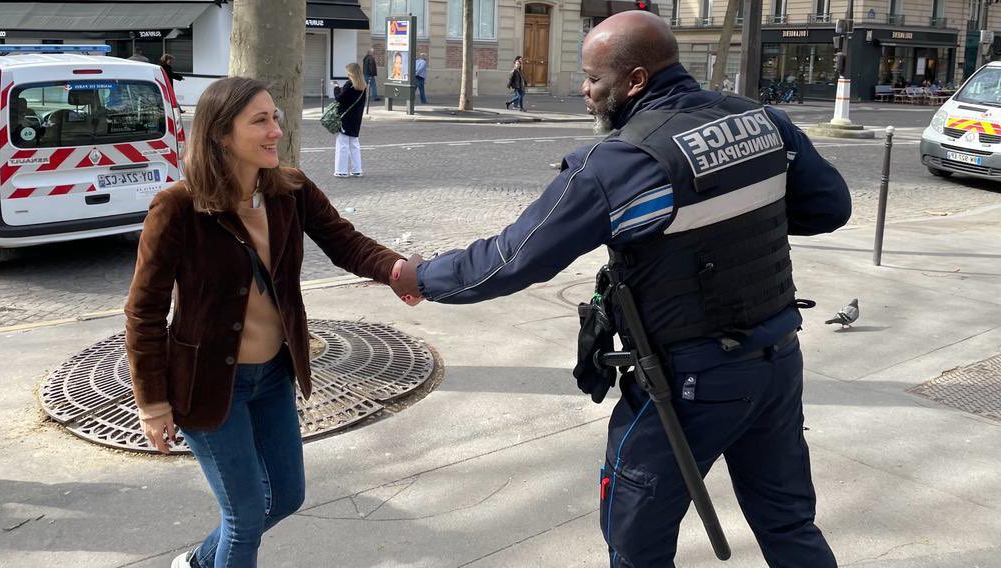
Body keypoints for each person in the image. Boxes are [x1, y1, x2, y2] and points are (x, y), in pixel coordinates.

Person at [390, 10, 848, 567]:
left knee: (637, 542)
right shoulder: (762, 121)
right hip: (777, 359)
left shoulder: (624, 161)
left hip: (689, 381)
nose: (584, 91)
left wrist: (420, 276)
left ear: (635, 80)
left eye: (594, 79)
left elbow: (511, 259)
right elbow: (829, 206)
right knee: (789, 523)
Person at [125, 76, 408, 568]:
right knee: (246, 518)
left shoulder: (290, 190)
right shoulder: (177, 207)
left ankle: (196, 563)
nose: (276, 129)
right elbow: (144, 311)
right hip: (209, 383)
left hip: (273, 375)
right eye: (260, 120)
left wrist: (400, 271)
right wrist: (152, 402)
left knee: (287, 496)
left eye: (274, 116)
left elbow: (347, 243)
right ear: (220, 133)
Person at [332, 63, 367, 178]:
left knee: (342, 144)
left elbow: (339, 99)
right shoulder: (363, 87)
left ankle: (341, 170)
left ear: (351, 73)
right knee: (354, 144)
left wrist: (336, 88)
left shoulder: (349, 85)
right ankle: (357, 169)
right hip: (356, 119)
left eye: (348, 72)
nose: (347, 74)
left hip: (345, 119)